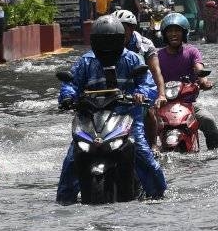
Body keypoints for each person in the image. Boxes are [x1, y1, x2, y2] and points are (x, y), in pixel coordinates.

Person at [56, 16, 166, 203]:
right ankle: (64, 201)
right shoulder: (85, 62)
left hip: (126, 117)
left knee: (145, 159)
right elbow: (71, 84)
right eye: (102, 40)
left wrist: (140, 94)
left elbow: (147, 83)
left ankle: (159, 196)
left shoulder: (132, 59)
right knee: (71, 162)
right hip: (90, 120)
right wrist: (68, 97)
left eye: (111, 40)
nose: (107, 45)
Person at [156, 13, 218, 150]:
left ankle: (216, 153)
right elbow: (152, 76)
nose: (174, 34)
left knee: (208, 120)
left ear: (184, 33)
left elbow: (199, 67)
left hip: (188, 104)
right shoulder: (158, 56)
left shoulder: (192, 51)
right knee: (145, 126)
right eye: (170, 31)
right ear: (164, 34)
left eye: (177, 30)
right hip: (162, 103)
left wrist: (203, 80)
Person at [112, 9, 167, 146]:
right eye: (116, 28)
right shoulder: (108, 43)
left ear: (132, 28)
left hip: (142, 87)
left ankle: (153, 145)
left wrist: (161, 95)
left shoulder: (144, 45)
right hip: (116, 89)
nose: (120, 33)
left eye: (123, 29)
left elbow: (155, 71)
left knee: (148, 111)